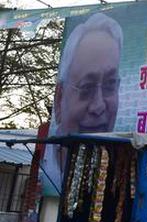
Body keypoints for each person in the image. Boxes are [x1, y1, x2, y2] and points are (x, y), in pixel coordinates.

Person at [41, 13, 123, 192]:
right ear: (59, 98)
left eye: (110, 85)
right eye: (86, 87)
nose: (98, 106)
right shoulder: (47, 175)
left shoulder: (119, 181)